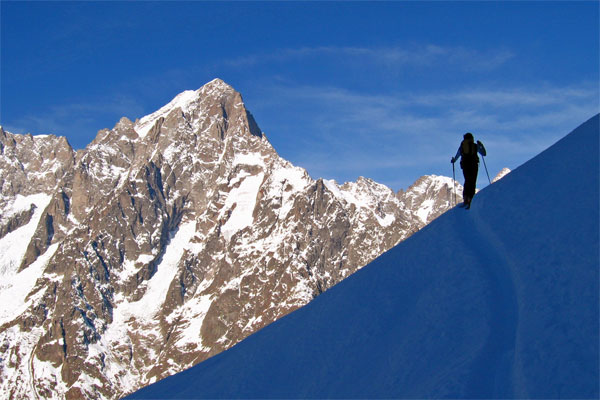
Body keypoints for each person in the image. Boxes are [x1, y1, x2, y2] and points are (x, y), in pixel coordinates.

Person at [451, 132, 486, 209]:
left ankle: (466, 198)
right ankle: (471, 198)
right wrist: (481, 145)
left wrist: (453, 160)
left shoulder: (462, 146)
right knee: (472, 181)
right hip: (474, 165)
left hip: (465, 166)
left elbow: (457, 155)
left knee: (467, 180)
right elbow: (484, 153)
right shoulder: (475, 146)